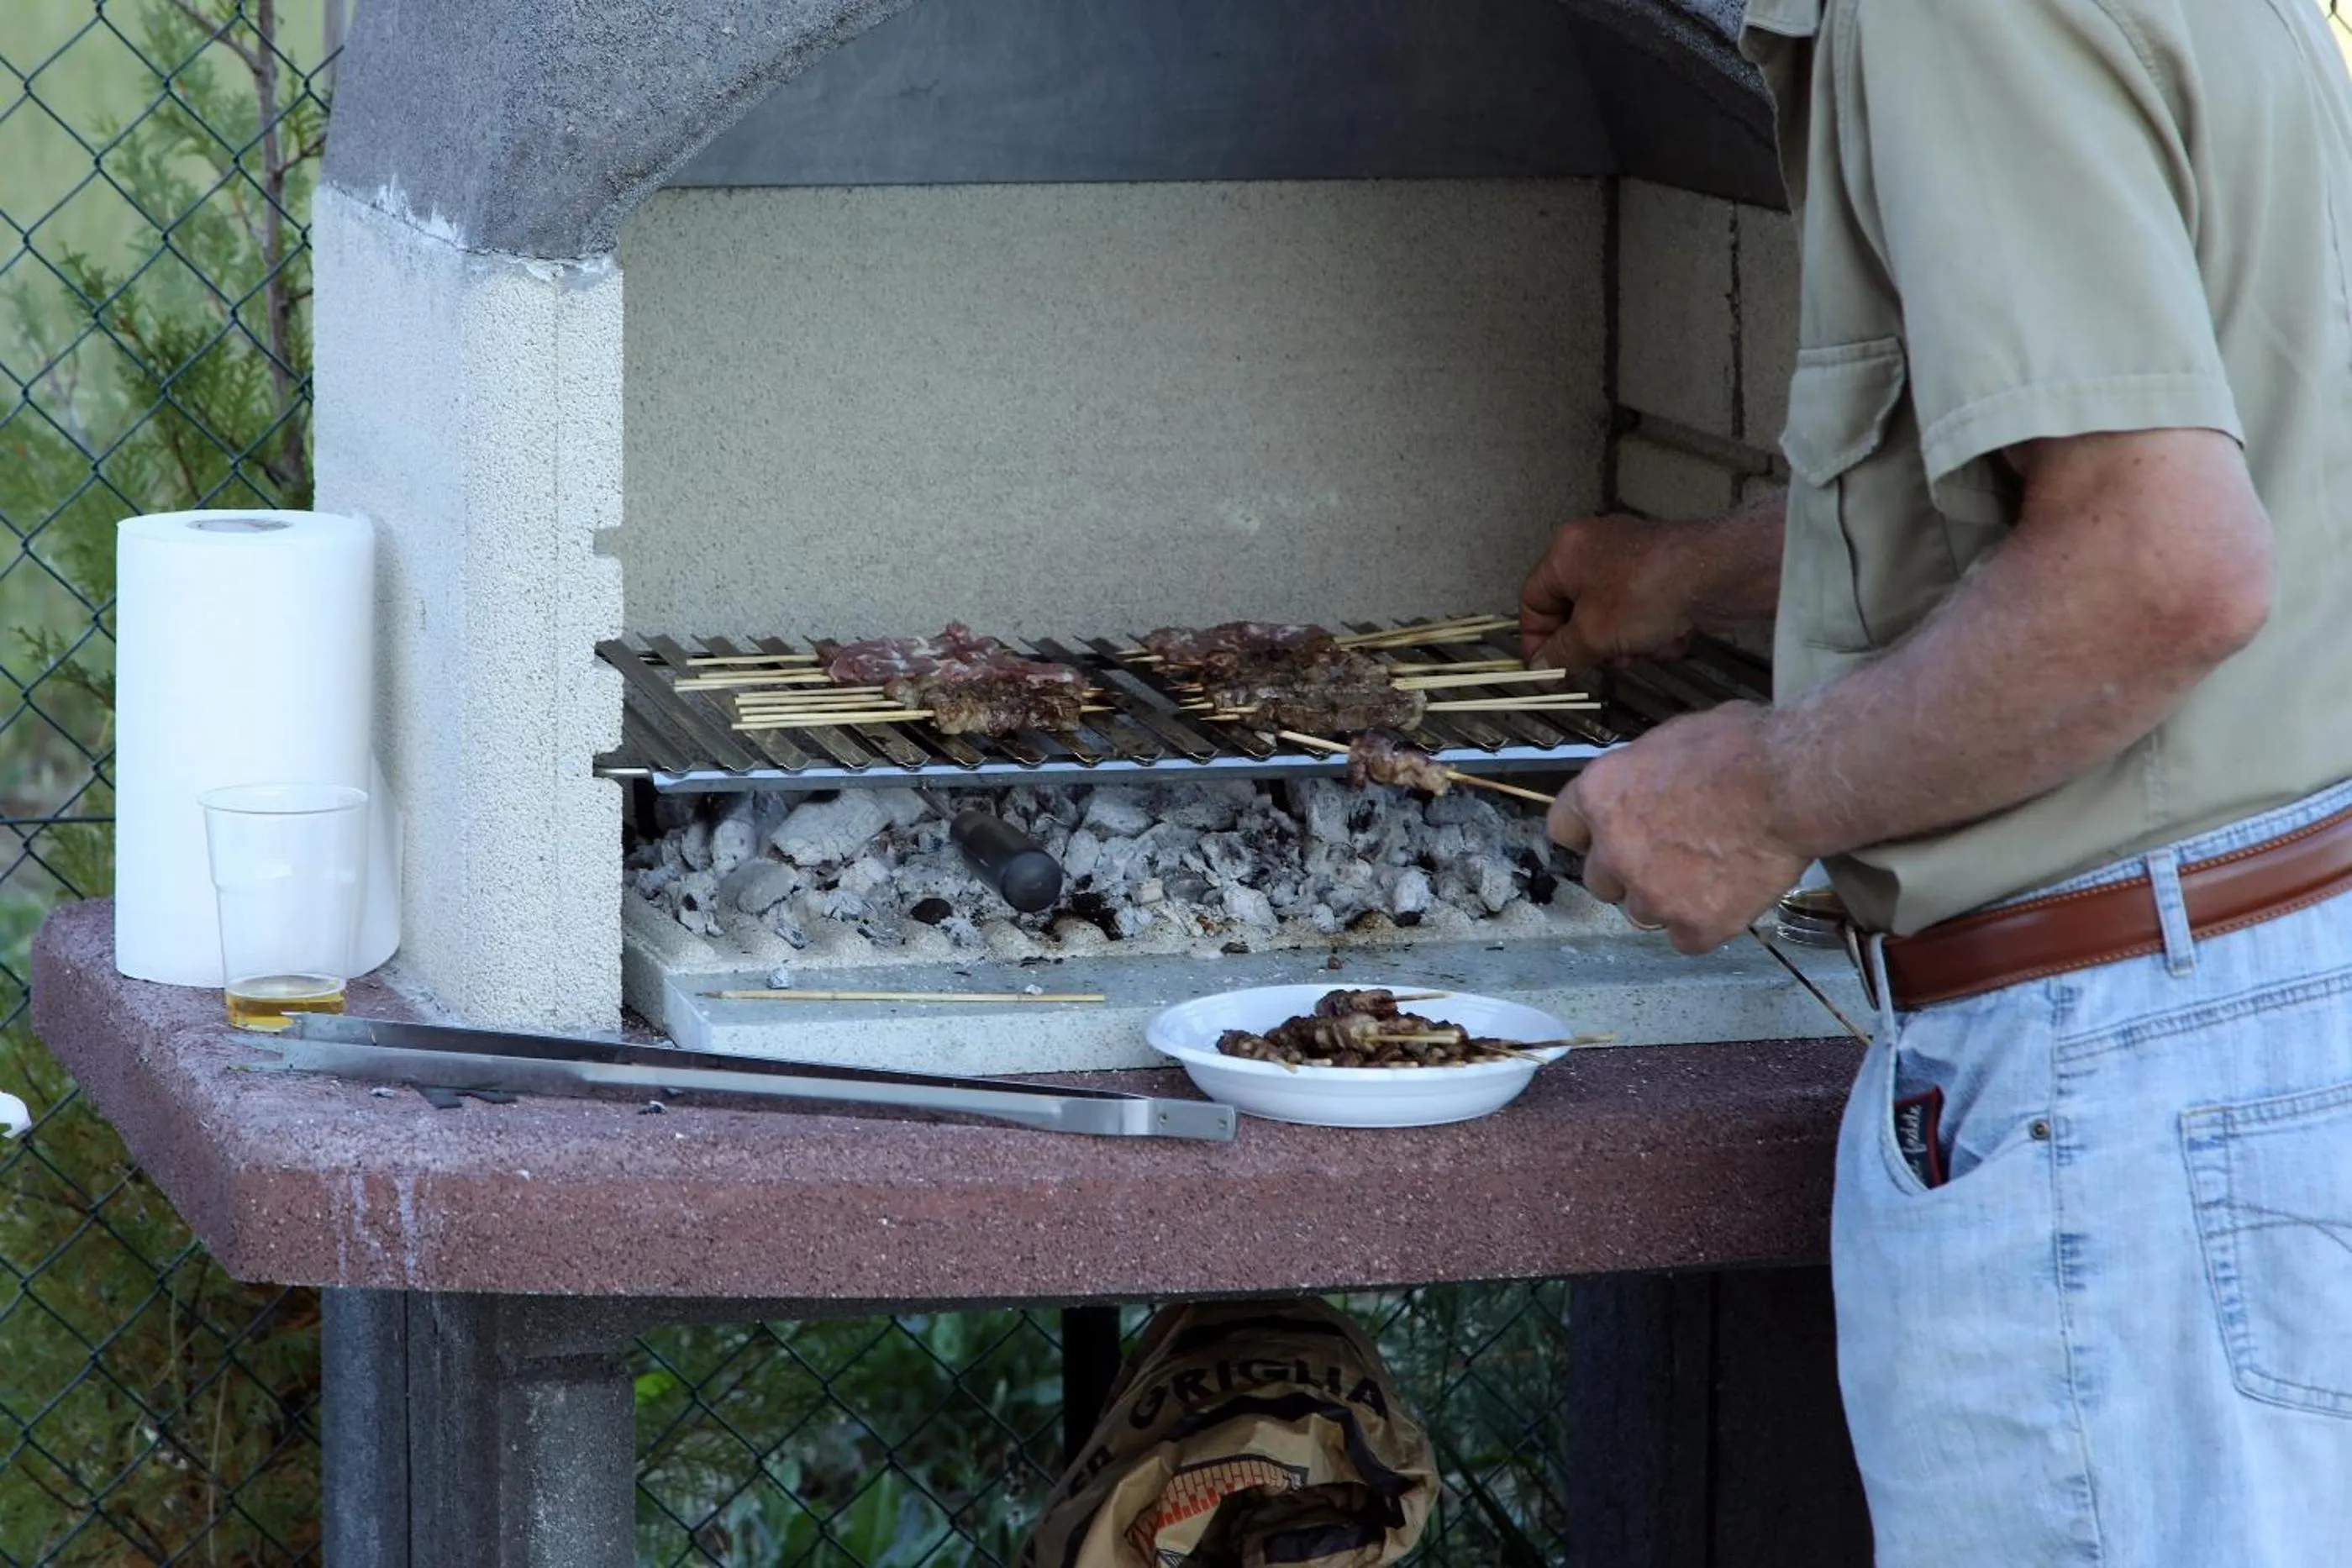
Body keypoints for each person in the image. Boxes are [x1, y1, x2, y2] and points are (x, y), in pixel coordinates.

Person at [1518, 0, 2352, 1560]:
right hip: (2264, 996)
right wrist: (1703, 573)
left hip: (2117, 1068)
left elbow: (2163, 568)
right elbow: (2115, 480)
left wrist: (1760, 790)